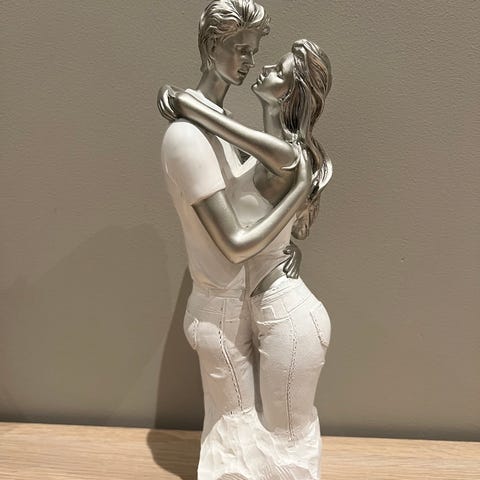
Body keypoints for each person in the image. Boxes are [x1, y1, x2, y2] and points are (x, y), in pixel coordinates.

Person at [160, 38, 333, 479]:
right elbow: (271, 221)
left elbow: (216, 125)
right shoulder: (267, 149)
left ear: (288, 94)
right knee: (265, 443)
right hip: (263, 308)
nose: (264, 68)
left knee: (289, 447)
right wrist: (286, 240)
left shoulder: (287, 154)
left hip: (289, 315)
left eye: (280, 72)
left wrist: (181, 101)